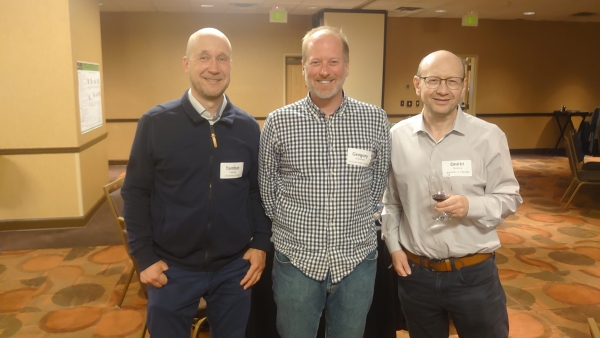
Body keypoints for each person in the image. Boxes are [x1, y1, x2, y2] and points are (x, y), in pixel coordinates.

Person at [121, 27, 271, 338]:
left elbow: (256, 192)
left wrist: (259, 244)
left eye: (222, 59)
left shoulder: (246, 127)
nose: (214, 67)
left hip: (233, 268)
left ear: (230, 65)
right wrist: (144, 257)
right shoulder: (156, 122)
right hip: (171, 269)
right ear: (187, 64)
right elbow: (135, 193)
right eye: (204, 57)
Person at [258, 26, 391, 338]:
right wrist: (298, 227)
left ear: (346, 67)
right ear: (304, 67)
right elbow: (268, 192)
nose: (324, 71)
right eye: (315, 62)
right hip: (297, 261)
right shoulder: (278, 122)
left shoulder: (374, 119)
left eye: (333, 62)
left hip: (357, 260)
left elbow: (377, 184)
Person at [381, 50, 523, 338]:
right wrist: (394, 247)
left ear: (464, 85)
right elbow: (390, 203)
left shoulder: (488, 136)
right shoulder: (397, 137)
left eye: (452, 81)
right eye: (433, 80)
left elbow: (510, 197)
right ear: (417, 84)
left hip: (473, 275)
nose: (443, 90)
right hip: (416, 274)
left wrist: (471, 205)